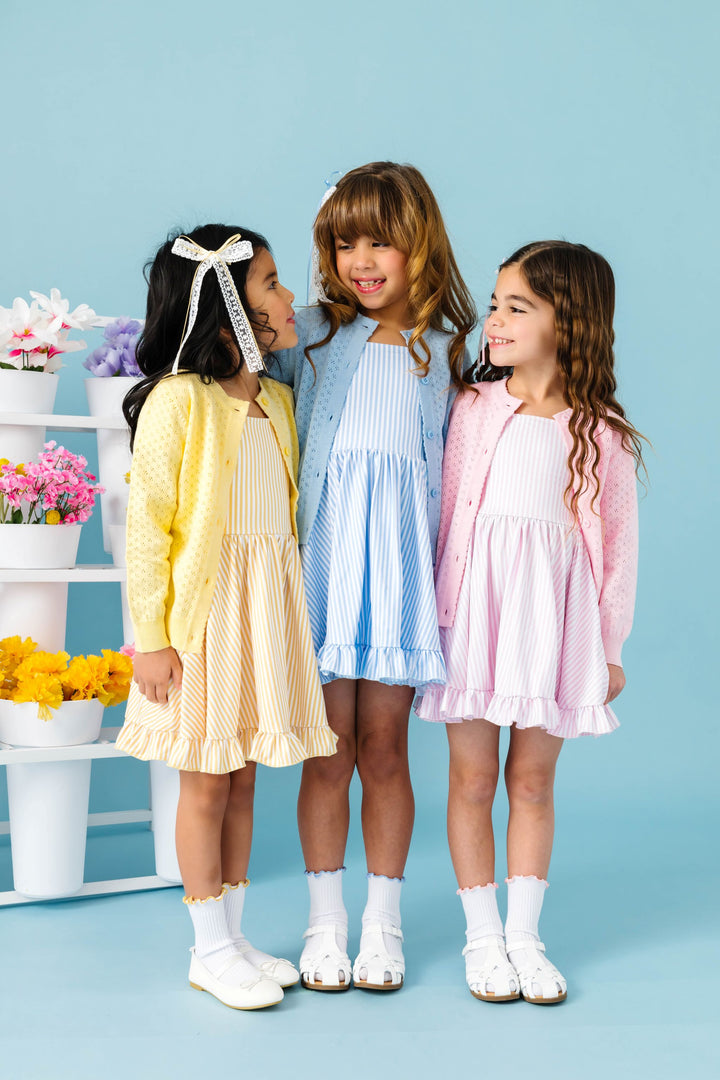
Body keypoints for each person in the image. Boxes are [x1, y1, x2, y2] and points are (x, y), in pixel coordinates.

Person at [116, 224, 337, 1011]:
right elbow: (149, 528)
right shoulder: (181, 400)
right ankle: (207, 949)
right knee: (206, 784)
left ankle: (235, 939)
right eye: (272, 284)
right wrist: (153, 639)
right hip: (204, 620)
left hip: (264, 612)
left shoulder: (276, 400)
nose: (290, 298)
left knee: (243, 781)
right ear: (227, 307)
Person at [416, 241, 644, 1004]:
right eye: (494, 305)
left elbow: (617, 549)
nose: (496, 320)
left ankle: (524, 938)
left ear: (567, 321)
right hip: (475, 615)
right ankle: (483, 939)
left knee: (534, 782)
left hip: (554, 624)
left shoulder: (600, 430)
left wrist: (608, 647)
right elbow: (447, 517)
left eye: (518, 307)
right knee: (472, 778)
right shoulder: (473, 409)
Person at [275, 162, 476, 991]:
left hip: (396, 576)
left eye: (379, 243)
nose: (359, 261)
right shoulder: (310, 336)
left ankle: (381, 924)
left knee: (386, 750)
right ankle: (325, 923)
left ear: (419, 244)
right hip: (325, 566)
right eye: (342, 242)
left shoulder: (451, 353)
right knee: (327, 752)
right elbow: (235, 371)